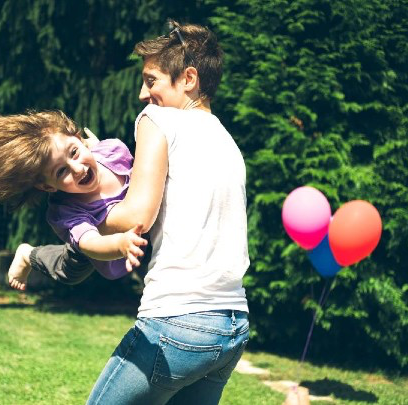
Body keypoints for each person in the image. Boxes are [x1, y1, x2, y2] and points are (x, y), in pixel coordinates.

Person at [84, 21, 250, 404]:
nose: (143, 94)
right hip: (232, 324)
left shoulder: (158, 121)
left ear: (188, 78)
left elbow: (137, 215)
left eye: (152, 80)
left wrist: (86, 214)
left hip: (177, 321)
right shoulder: (227, 140)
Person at [0, 110, 149, 287]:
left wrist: (89, 147)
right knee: (68, 271)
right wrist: (119, 244)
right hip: (100, 243)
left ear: (79, 139)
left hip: (143, 232)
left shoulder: (112, 152)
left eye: (74, 152)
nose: (78, 169)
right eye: (61, 171)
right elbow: (90, 243)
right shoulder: (68, 211)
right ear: (48, 186)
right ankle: (28, 255)